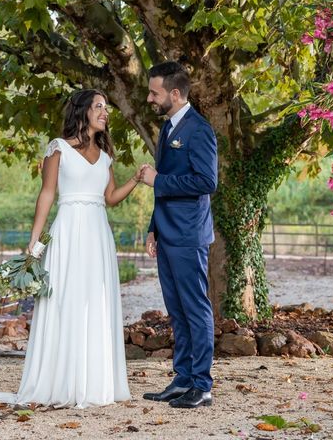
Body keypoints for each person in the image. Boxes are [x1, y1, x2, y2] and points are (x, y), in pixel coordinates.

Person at [0, 89, 137, 408]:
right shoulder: (58, 148)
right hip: (68, 231)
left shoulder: (106, 156)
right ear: (82, 111)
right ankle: (62, 381)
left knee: (96, 302)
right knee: (66, 301)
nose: (106, 112)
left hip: (98, 234)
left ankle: (95, 383)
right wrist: (34, 242)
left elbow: (109, 198)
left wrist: (135, 179)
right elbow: (47, 195)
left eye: (107, 107)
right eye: (99, 106)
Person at [140, 61, 218, 409]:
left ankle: (202, 385)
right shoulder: (167, 128)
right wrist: (153, 228)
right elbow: (167, 183)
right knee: (177, 310)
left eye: (154, 92)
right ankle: (183, 378)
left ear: (175, 93)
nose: (149, 97)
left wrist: (158, 180)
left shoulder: (199, 130)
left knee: (195, 309)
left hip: (189, 235)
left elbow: (206, 181)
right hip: (168, 233)